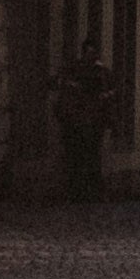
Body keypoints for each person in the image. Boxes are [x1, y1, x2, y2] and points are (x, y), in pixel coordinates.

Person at [50, 47, 113, 202]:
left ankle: (88, 190)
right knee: (77, 158)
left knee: (90, 158)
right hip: (76, 124)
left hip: (91, 123)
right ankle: (78, 190)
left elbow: (108, 95)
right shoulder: (76, 72)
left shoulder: (101, 73)